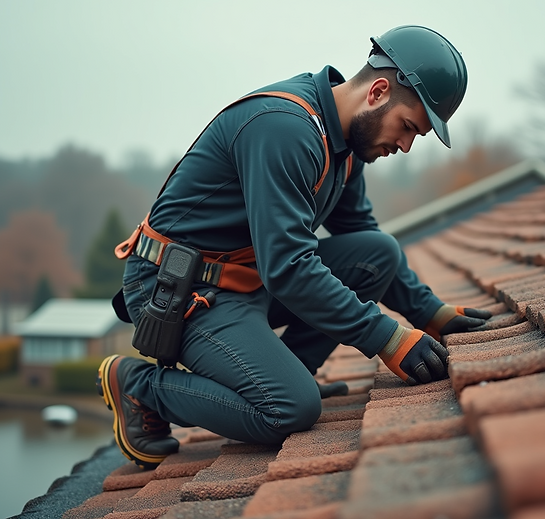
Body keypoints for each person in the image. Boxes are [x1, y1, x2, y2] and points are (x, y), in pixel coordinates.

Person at [98, 25, 491, 469]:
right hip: (181, 288)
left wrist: (427, 312)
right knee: (290, 409)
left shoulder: (344, 147)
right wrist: (389, 337)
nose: (404, 146)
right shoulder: (284, 128)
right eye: (408, 128)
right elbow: (288, 266)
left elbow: (363, 241)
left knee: (376, 252)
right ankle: (139, 386)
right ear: (378, 92)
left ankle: (287, 369)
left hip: (246, 281)